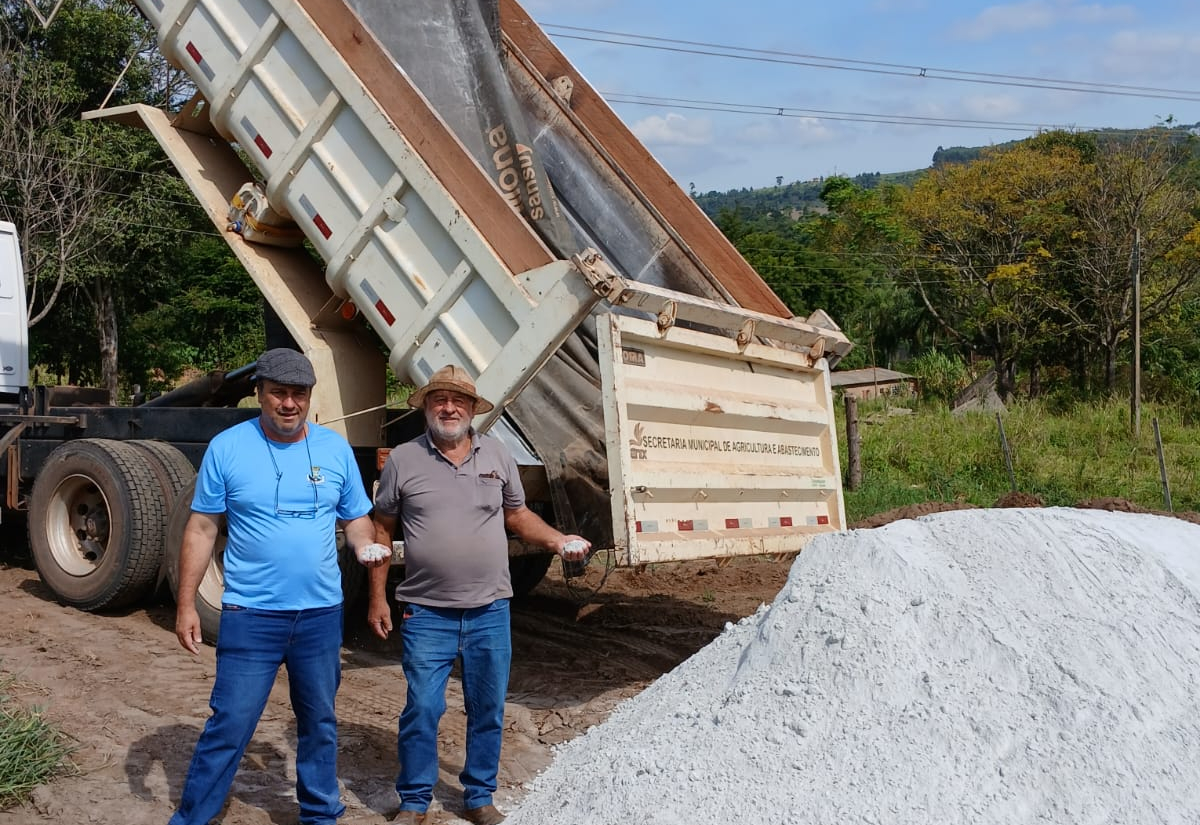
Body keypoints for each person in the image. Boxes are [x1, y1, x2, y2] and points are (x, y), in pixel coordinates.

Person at [367, 365, 590, 825]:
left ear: (472, 409)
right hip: (426, 610)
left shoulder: (498, 454)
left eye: (458, 401)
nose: (448, 408)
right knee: (423, 707)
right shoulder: (405, 460)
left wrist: (556, 539)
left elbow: (518, 516)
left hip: (490, 608)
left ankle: (479, 797)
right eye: (439, 400)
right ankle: (413, 801)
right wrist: (377, 597)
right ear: (427, 407)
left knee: (487, 707)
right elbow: (382, 528)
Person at [169, 348, 383, 825]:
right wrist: (185, 604)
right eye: (279, 394)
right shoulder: (228, 448)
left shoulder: (334, 450)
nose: (290, 404)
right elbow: (202, 528)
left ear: (310, 397)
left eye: (299, 395)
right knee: (231, 723)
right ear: (259, 394)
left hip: (321, 616)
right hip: (251, 616)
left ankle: (319, 814)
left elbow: (357, 520)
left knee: (320, 724)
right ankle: (192, 818)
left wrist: (365, 545)